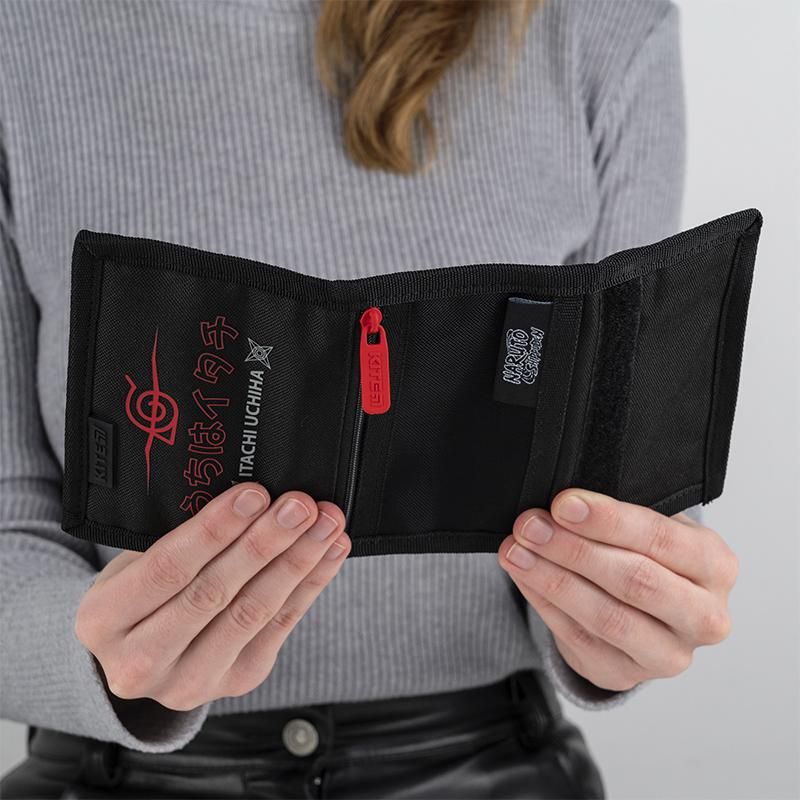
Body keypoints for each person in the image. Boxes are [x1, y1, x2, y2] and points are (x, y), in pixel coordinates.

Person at [0, 0, 740, 797]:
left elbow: (611, 470)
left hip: (485, 769)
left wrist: (618, 606)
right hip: (110, 773)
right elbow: (11, 518)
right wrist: (96, 661)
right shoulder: (24, 33)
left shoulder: (597, 23)